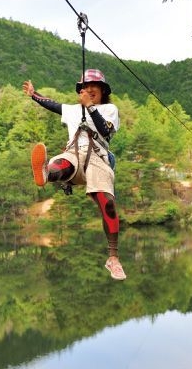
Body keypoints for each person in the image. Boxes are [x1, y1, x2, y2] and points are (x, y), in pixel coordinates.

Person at [22, 69, 126, 280]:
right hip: (74, 154)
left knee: (107, 203)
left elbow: (105, 131)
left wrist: (89, 106)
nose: (89, 90)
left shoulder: (109, 109)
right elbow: (51, 104)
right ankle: (46, 174)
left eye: (93, 87)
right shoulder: (72, 110)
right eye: (85, 88)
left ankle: (113, 257)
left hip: (98, 158)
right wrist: (34, 94)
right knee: (62, 163)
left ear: (103, 90)